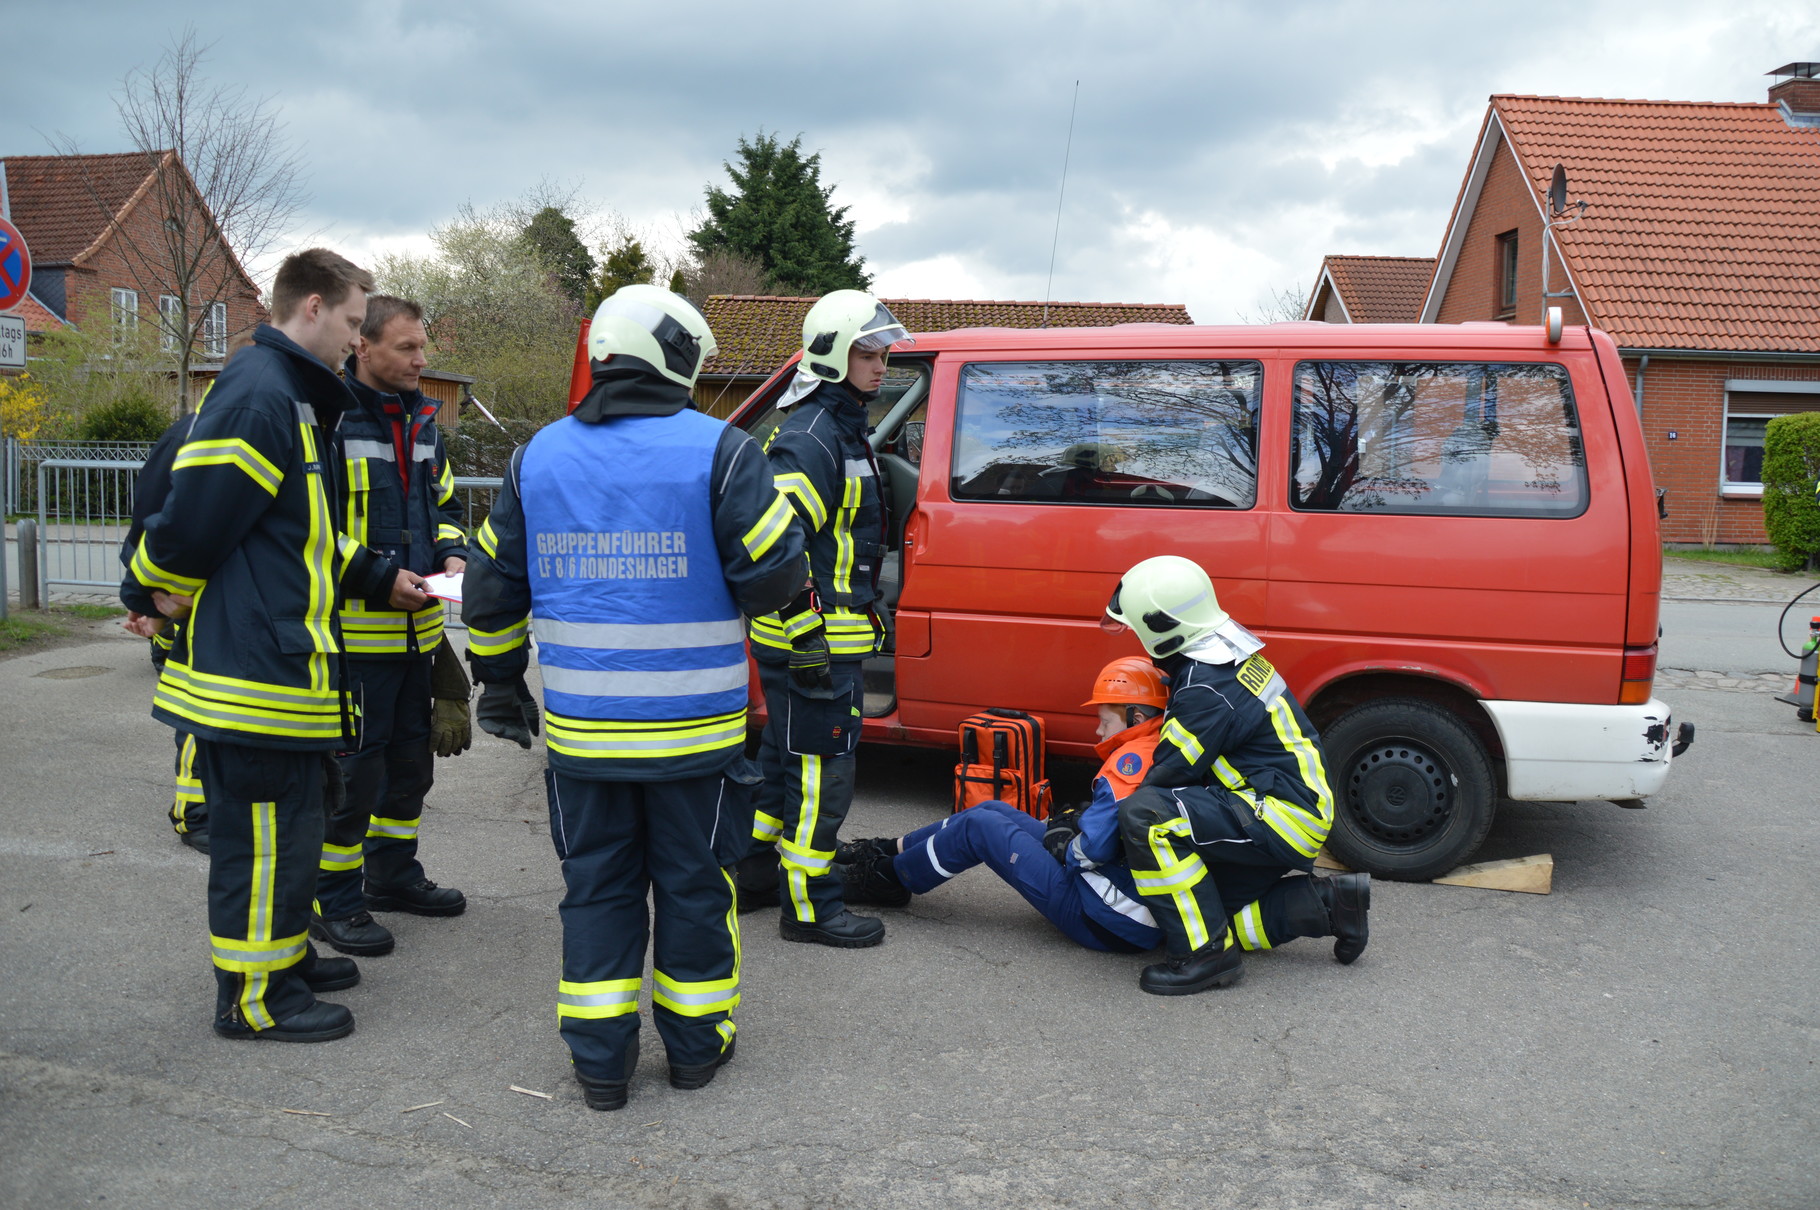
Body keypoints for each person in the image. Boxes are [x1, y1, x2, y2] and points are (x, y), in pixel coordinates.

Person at [463, 284, 804, 1111]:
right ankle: (694, 1051)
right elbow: (776, 579)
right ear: (677, 359)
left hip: (586, 743)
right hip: (696, 740)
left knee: (598, 895)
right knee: (695, 889)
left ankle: (601, 1069)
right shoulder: (721, 453)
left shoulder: (534, 456)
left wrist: (501, 685)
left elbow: (490, 591)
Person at [122, 248, 430, 1041]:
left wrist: (373, 577)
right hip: (254, 674)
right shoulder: (263, 396)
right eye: (355, 325)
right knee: (262, 844)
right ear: (315, 308)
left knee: (291, 833)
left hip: (284, 669)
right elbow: (191, 522)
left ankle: (283, 959)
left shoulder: (290, 397)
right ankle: (256, 999)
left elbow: (305, 538)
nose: (354, 344)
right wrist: (146, 589)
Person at [1097, 555, 1370, 996]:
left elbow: (1164, 776)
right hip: (1290, 807)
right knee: (1199, 913)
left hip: (1277, 812)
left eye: (1136, 629)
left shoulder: (1204, 686)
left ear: (1159, 627)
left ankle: (1205, 959)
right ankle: (1328, 905)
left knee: (1145, 817)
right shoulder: (1226, 655)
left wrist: (1091, 827)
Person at [734, 290, 912, 948]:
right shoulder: (814, 433)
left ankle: (753, 874)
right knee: (821, 774)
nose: (882, 361)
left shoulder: (841, 424)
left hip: (820, 636)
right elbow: (778, 542)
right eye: (868, 350)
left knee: (785, 763)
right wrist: (809, 632)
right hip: (810, 642)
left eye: (884, 349)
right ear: (834, 354)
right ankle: (809, 907)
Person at [309, 296, 471, 958]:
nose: (421, 359)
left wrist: (454, 553)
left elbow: (447, 505)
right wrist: (378, 578)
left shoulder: (424, 422)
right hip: (353, 645)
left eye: (422, 346)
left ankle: (391, 877)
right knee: (353, 782)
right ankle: (334, 900)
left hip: (417, 639)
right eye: (406, 348)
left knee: (410, 771)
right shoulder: (329, 420)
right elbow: (310, 526)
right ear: (362, 348)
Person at [837, 656, 1170, 953]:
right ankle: (884, 850)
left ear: (1136, 716)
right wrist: (1079, 824)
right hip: (1129, 905)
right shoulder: (1163, 748)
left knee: (981, 828)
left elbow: (1092, 851)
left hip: (1110, 919)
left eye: (1106, 722)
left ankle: (885, 880)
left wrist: (1068, 839)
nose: (1099, 731)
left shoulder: (1130, 763)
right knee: (993, 810)